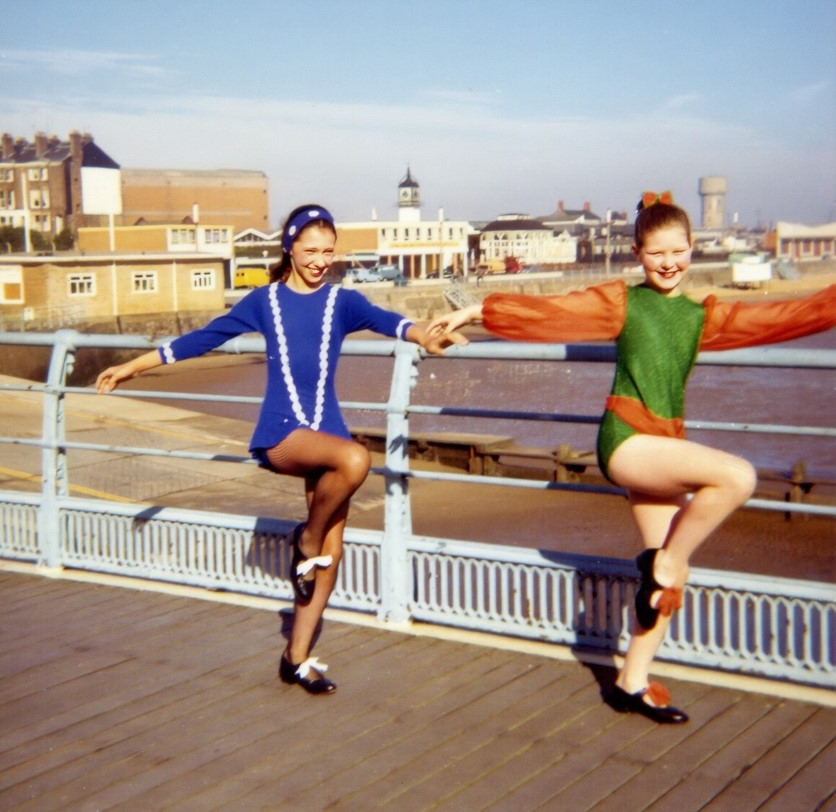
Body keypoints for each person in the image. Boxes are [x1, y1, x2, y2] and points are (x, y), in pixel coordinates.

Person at [427, 191, 835, 724]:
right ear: (639, 255)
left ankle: (630, 680)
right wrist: (480, 310)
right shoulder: (624, 301)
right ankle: (660, 562)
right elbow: (555, 313)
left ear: (692, 249)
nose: (669, 263)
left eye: (679, 251)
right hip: (627, 443)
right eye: (657, 253)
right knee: (737, 476)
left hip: (662, 450)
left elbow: (782, 316)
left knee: (672, 580)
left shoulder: (701, 315)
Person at [96, 204, 461, 695]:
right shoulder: (263, 301)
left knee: (332, 553)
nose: (319, 261)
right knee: (355, 460)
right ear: (288, 248)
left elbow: (391, 321)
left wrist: (425, 337)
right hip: (282, 433)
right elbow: (202, 339)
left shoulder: (342, 301)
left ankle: (297, 656)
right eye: (310, 250)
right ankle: (304, 541)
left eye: (328, 252)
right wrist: (132, 367)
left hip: (325, 430)